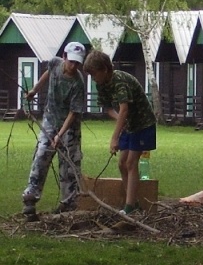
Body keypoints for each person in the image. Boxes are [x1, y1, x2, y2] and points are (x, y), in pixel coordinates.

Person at [83, 50, 156, 215]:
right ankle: (134, 203)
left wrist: (114, 137)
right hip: (129, 125)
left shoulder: (119, 81)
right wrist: (120, 123)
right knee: (121, 163)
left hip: (143, 124)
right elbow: (108, 108)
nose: (93, 78)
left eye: (95, 74)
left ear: (105, 69)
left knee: (131, 163)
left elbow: (124, 109)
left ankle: (129, 207)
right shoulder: (101, 84)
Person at [22, 42, 86, 215]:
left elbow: (73, 113)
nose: (73, 66)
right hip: (50, 118)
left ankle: (69, 203)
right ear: (64, 57)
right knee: (42, 154)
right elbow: (47, 74)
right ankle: (30, 198)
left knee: (69, 164)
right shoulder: (54, 63)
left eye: (77, 63)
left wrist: (60, 134)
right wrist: (35, 90)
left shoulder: (78, 83)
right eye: (71, 61)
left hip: (70, 127)